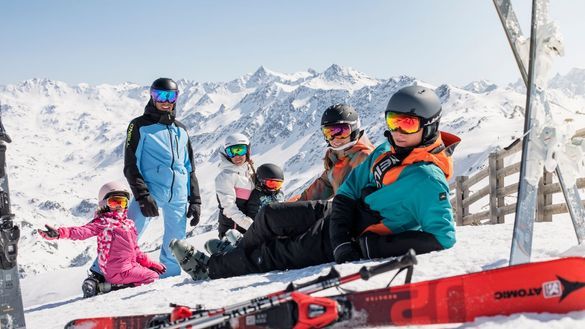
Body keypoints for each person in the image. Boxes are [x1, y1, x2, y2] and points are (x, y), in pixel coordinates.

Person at [170, 85, 460, 281]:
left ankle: (211, 269)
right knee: (271, 215)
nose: (396, 130)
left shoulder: (426, 178)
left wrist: (367, 248)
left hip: (357, 231)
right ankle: (233, 253)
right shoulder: (387, 151)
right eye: (392, 120)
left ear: (430, 124)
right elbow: (345, 192)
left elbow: (442, 237)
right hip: (338, 217)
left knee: (275, 253)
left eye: (407, 124)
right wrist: (337, 223)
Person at [122, 77, 202, 278]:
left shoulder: (181, 129)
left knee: (175, 244)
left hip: (178, 196)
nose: (165, 101)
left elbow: (189, 167)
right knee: (126, 235)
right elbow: (131, 165)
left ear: (176, 98)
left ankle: (169, 280)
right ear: (151, 96)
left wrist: (195, 200)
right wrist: (142, 196)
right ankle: (103, 275)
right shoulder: (139, 126)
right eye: (160, 95)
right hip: (151, 192)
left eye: (171, 96)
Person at [38, 181, 166, 297]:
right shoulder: (103, 222)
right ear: (104, 204)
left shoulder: (129, 224)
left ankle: (105, 285)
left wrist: (150, 263)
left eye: (123, 202)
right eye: (114, 202)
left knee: (149, 272)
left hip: (129, 267)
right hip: (118, 271)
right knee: (152, 277)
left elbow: (135, 250)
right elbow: (82, 231)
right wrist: (60, 233)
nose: (119, 206)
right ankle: (113, 288)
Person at [291, 104, 374, 201]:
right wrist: (285, 208)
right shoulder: (336, 158)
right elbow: (317, 191)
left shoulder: (367, 158)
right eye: (329, 133)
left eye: (342, 132)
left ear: (354, 130)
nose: (335, 139)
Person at [205, 163, 285, 255]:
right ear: (261, 181)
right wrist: (259, 228)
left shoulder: (279, 194)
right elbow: (251, 213)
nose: (275, 188)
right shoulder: (256, 195)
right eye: (272, 184)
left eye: (278, 185)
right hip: (249, 229)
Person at [214, 133, 257, 238]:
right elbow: (229, 208)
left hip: (250, 229)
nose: (237, 156)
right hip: (233, 232)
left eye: (240, 150)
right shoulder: (225, 176)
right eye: (231, 152)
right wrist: (253, 227)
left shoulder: (249, 171)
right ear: (226, 154)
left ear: (247, 150)